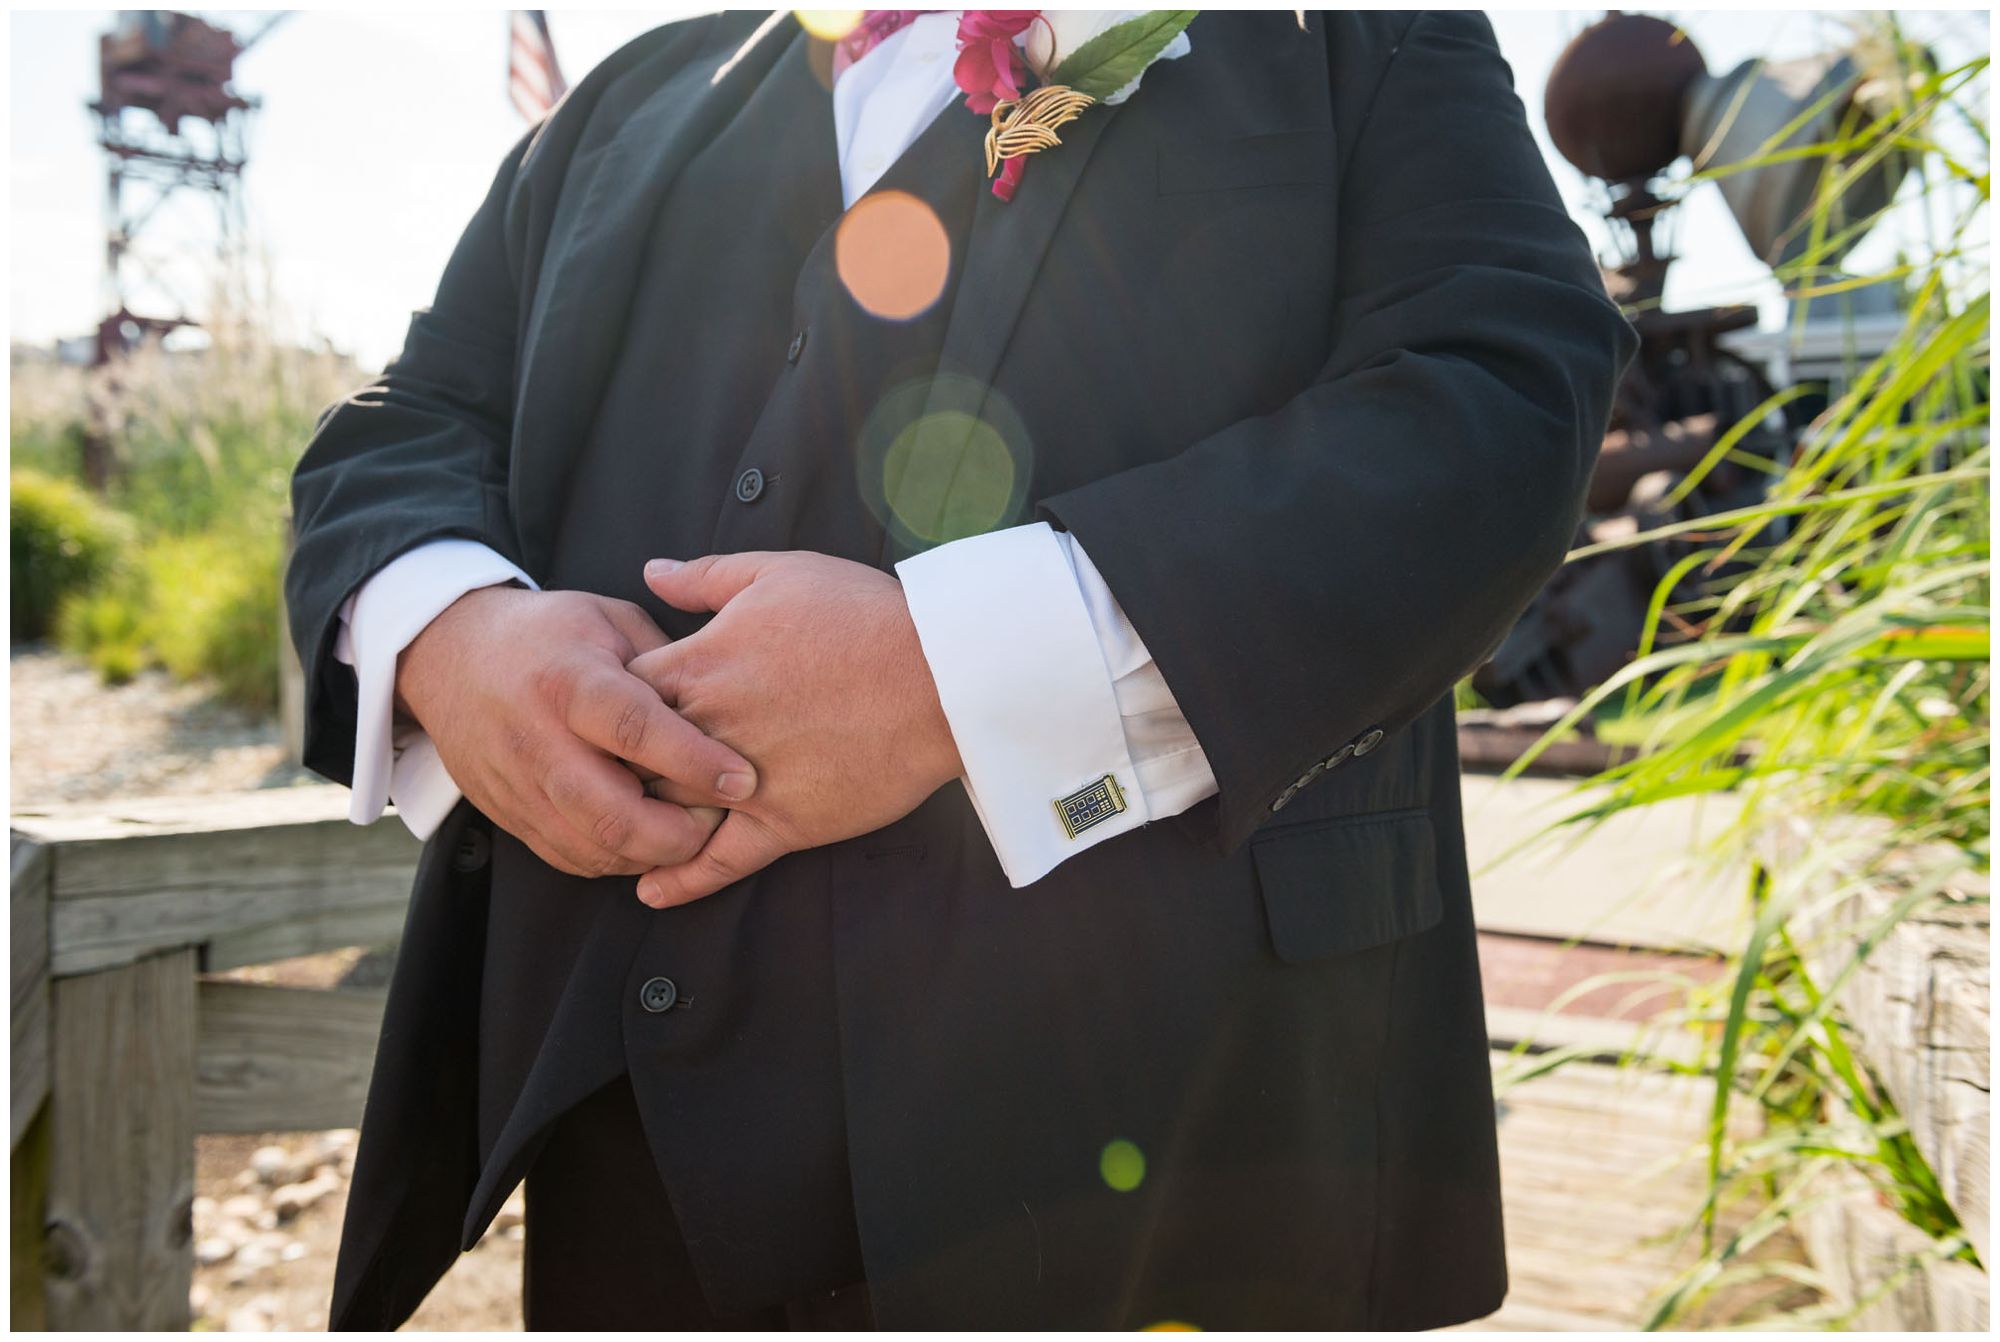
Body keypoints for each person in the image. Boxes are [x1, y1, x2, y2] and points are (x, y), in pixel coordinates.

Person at [286, 8, 1638, 1330]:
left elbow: (1497, 399)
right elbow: (411, 420)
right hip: (633, 1159)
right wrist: (454, 634)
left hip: (1185, 1153)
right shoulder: (632, 97)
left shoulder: (1359, 34)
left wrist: (952, 675)